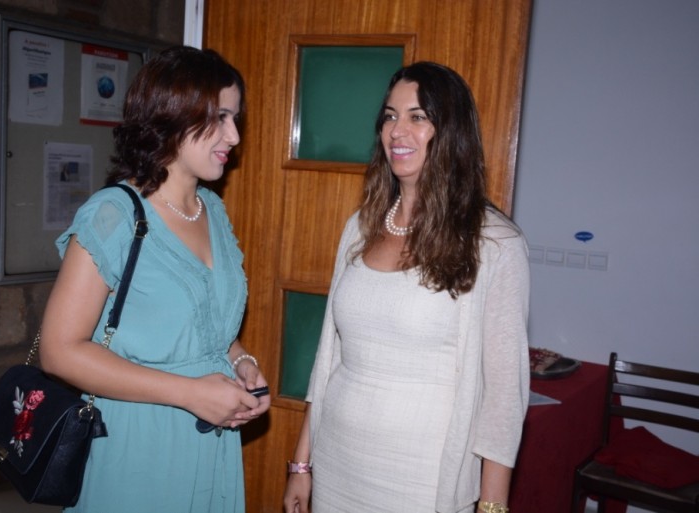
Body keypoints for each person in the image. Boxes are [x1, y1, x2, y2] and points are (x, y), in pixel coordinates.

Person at [283, 62, 530, 513]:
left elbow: (503, 397)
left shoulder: (495, 244)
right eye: (390, 117)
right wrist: (302, 465)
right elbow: (328, 359)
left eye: (418, 117)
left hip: (423, 479)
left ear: (450, 131)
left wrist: (492, 507)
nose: (398, 131)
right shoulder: (359, 228)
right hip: (338, 464)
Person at [39, 46, 270, 513]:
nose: (233, 136)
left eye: (235, 119)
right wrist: (190, 393)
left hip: (211, 442)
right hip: (138, 444)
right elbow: (58, 351)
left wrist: (241, 360)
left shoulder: (213, 211)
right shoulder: (113, 215)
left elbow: (205, 324)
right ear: (172, 116)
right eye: (219, 118)